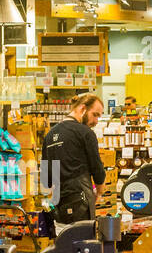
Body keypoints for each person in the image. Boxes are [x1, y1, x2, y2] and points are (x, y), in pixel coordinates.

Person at [40, 93, 106, 228]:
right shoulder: (85, 132)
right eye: (95, 115)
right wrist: (99, 191)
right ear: (83, 109)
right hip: (81, 201)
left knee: (63, 243)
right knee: (82, 244)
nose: (96, 121)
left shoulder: (50, 135)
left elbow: (46, 179)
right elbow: (97, 167)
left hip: (58, 203)